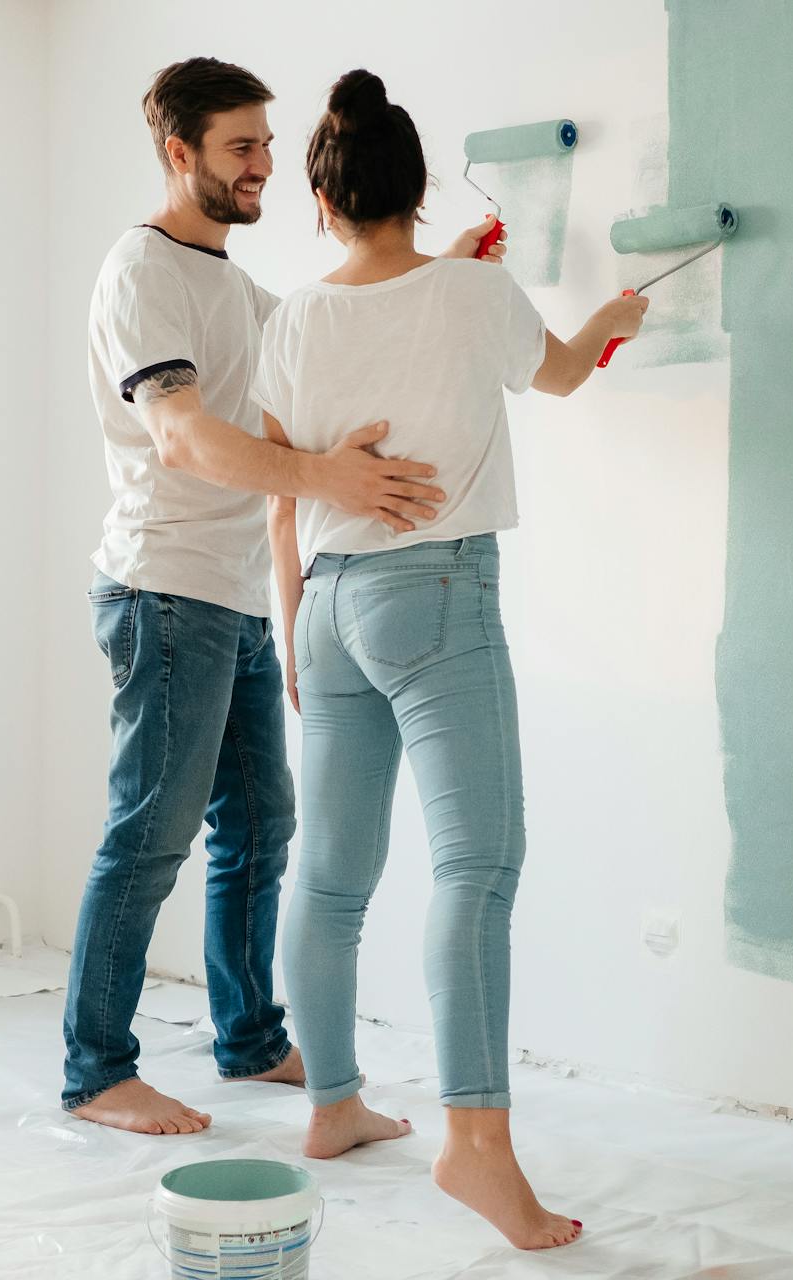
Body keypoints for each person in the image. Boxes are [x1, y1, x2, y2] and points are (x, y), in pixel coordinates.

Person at [62, 56, 506, 1137]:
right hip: (163, 587)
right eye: (242, 147)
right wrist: (324, 478)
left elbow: (328, 343)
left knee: (262, 827)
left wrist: (438, 269)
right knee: (152, 830)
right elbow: (183, 433)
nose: (264, 163)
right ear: (181, 154)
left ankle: (251, 1033)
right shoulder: (143, 271)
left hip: (243, 597)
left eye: (268, 143)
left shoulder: (240, 288)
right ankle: (96, 1066)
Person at [257, 70, 648, 1249]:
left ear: (323, 204)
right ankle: (476, 1145)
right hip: (434, 596)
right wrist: (613, 320)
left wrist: (289, 634)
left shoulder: (289, 319)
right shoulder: (475, 293)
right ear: (418, 191)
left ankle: (331, 1105)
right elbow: (563, 370)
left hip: (322, 602)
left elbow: (281, 495)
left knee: (327, 875)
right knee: (477, 868)